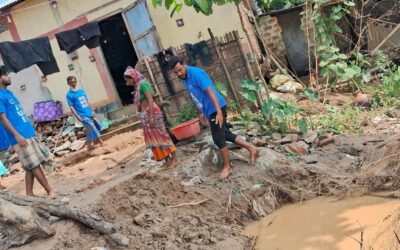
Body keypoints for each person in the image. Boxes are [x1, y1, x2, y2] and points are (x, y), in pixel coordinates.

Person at [169, 57, 259, 180]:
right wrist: (201, 111)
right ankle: (252, 148)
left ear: (185, 64)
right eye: (176, 73)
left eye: (180, 70)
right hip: (209, 109)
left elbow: (210, 91)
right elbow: (197, 95)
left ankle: (228, 166)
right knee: (225, 134)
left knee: (218, 138)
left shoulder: (195, 73)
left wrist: (218, 112)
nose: (179, 74)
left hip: (215, 108)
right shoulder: (185, 77)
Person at [0, 66, 53, 197]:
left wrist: (30, 130)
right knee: (34, 165)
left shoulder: (9, 93)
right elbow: (3, 119)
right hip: (19, 136)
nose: (9, 76)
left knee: (31, 165)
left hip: (27, 132)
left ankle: (29, 193)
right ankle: (49, 191)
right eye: (6, 75)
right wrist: (17, 135)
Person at [123, 66, 177, 167]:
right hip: (145, 116)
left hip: (152, 114)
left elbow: (150, 100)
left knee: (162, 136)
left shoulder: (143, 84)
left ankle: (174, 158)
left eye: (128, 80)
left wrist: (151, 117)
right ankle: (167, 159)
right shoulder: (137, 86)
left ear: (132, 77)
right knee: (154, 139)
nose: (127, 83)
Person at [66, 76, 105, 150]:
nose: (73, 83)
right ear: (68, 83)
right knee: (92, 127)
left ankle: (89, 145)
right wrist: (77, 116)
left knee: (91, 129)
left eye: (74, 82)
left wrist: (92, 111)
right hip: (82, 115)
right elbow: (71, 107)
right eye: (71, 82)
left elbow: (87, 101)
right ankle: (101, 142)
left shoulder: (81, 91)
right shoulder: (69, 95)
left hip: (89, 113)